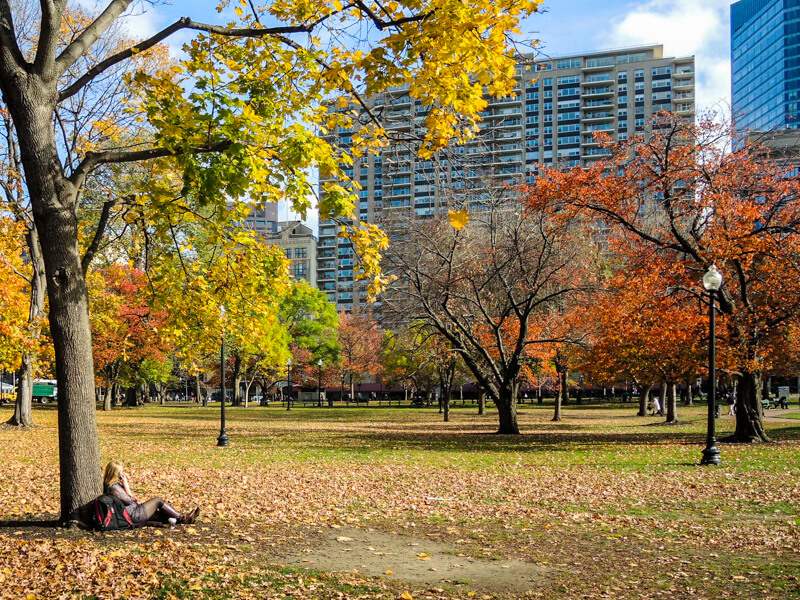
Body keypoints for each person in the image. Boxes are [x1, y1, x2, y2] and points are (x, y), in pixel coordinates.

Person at [103, 461, 199, 526]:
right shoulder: (114, 488)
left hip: (134, 511)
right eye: (121, 472)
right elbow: (130, 500)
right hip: (134, 514)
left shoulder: (114, 486)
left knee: (161, 514)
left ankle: (186, 520)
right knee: (158, 501)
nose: (123, 473)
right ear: (117, 473)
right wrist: (126, 485)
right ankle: (183, 518)